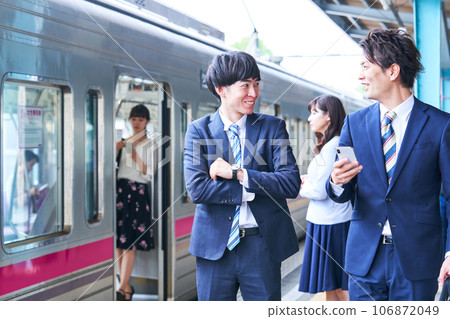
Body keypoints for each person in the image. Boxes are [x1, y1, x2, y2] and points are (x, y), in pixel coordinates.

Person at [326, 28, 450, 300]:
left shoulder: (441, 126)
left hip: (418, 260)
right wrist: (336, 182)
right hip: (365, 260)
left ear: (392, 72)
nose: (360, 76)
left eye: (365, 66)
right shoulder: (354, 124)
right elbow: (342, 192)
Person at [184, 51, 300, 301]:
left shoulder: (272, 127)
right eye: (245, 85)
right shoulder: (198, 131)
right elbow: (197, 189)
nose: (254, 93)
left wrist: (239, 173)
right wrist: (255, 186)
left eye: (256, 84)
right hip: (215, 249)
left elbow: (290, 183)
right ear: (221, 89)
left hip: (262, 246)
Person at [298, 95, 351, 301]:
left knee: (339, 288)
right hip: (329, 221)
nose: (309, 119)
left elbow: (320, 191)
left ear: (328, 116)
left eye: (314, 113)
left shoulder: (332, 146)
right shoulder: (333, 144)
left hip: (330, 225)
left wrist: (303, 187)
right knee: (333, 287)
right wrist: (310, 181)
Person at [115, 104, 156, 301]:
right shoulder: (122, 143)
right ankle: (125, 285)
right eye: (133, 119)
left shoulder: (150, 144)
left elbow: (150, 173)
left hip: (137, 192)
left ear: (147, 121)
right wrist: (116, 149)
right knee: (118, 243)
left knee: (129, 242)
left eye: (140, 119)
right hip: (121, 191)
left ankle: (123, 287)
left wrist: (134, 156)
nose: (136, 123)